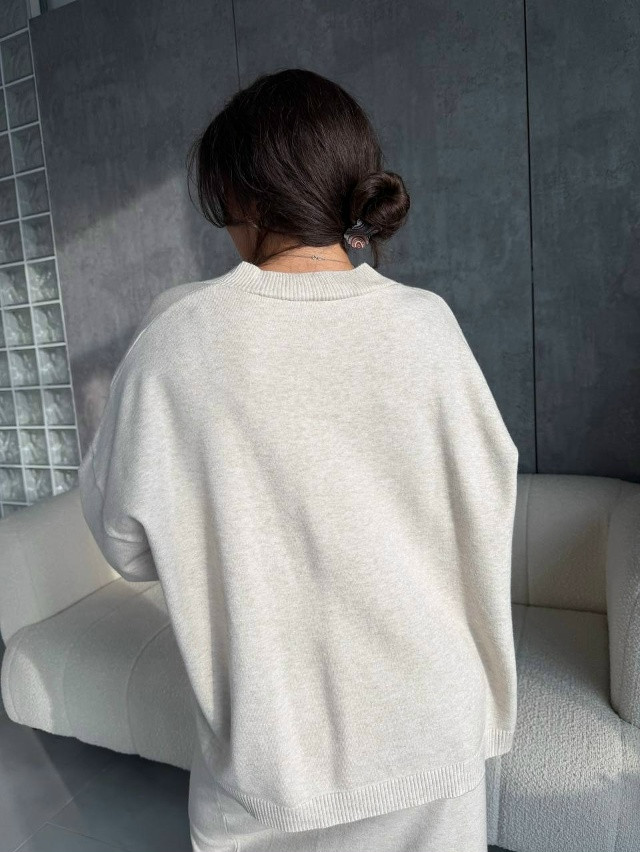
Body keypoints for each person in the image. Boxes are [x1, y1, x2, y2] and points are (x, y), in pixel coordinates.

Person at [78, 68, 519, 852]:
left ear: (237, 193)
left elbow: (126, 546)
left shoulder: (175, 341)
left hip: (272, 770)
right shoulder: (429, 327)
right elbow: (487, 506)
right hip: (435, 737)